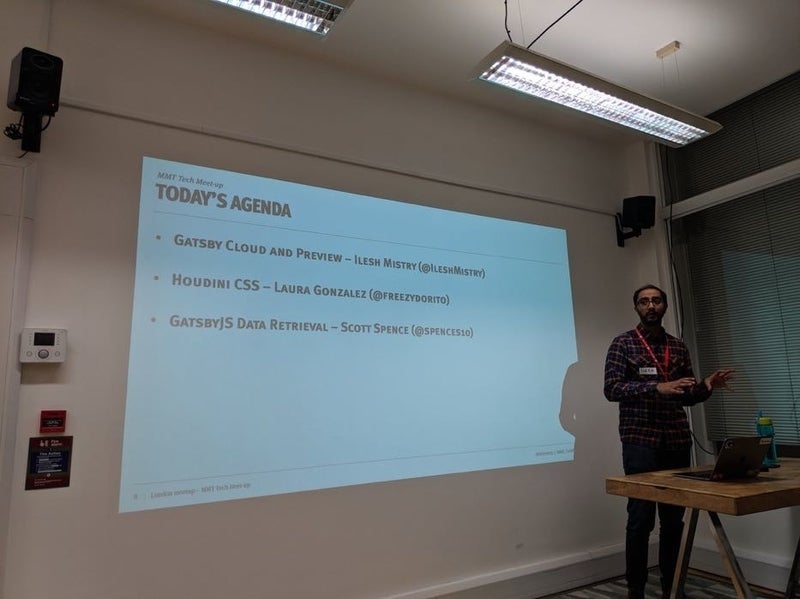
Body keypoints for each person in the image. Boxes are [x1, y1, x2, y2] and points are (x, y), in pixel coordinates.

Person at [603, 284, 734, 599]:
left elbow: (686, 395)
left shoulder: (677, 347)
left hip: (676, 440)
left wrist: (705, 386)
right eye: (644, 301)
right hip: (640, 441)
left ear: (664, 307)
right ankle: (636, 589)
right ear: (636, 307)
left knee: (674, 520)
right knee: (640, 518)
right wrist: (655, 388)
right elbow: (612, 389)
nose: (651, 305)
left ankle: (671, 588)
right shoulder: (622, 344)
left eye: (656, 300)